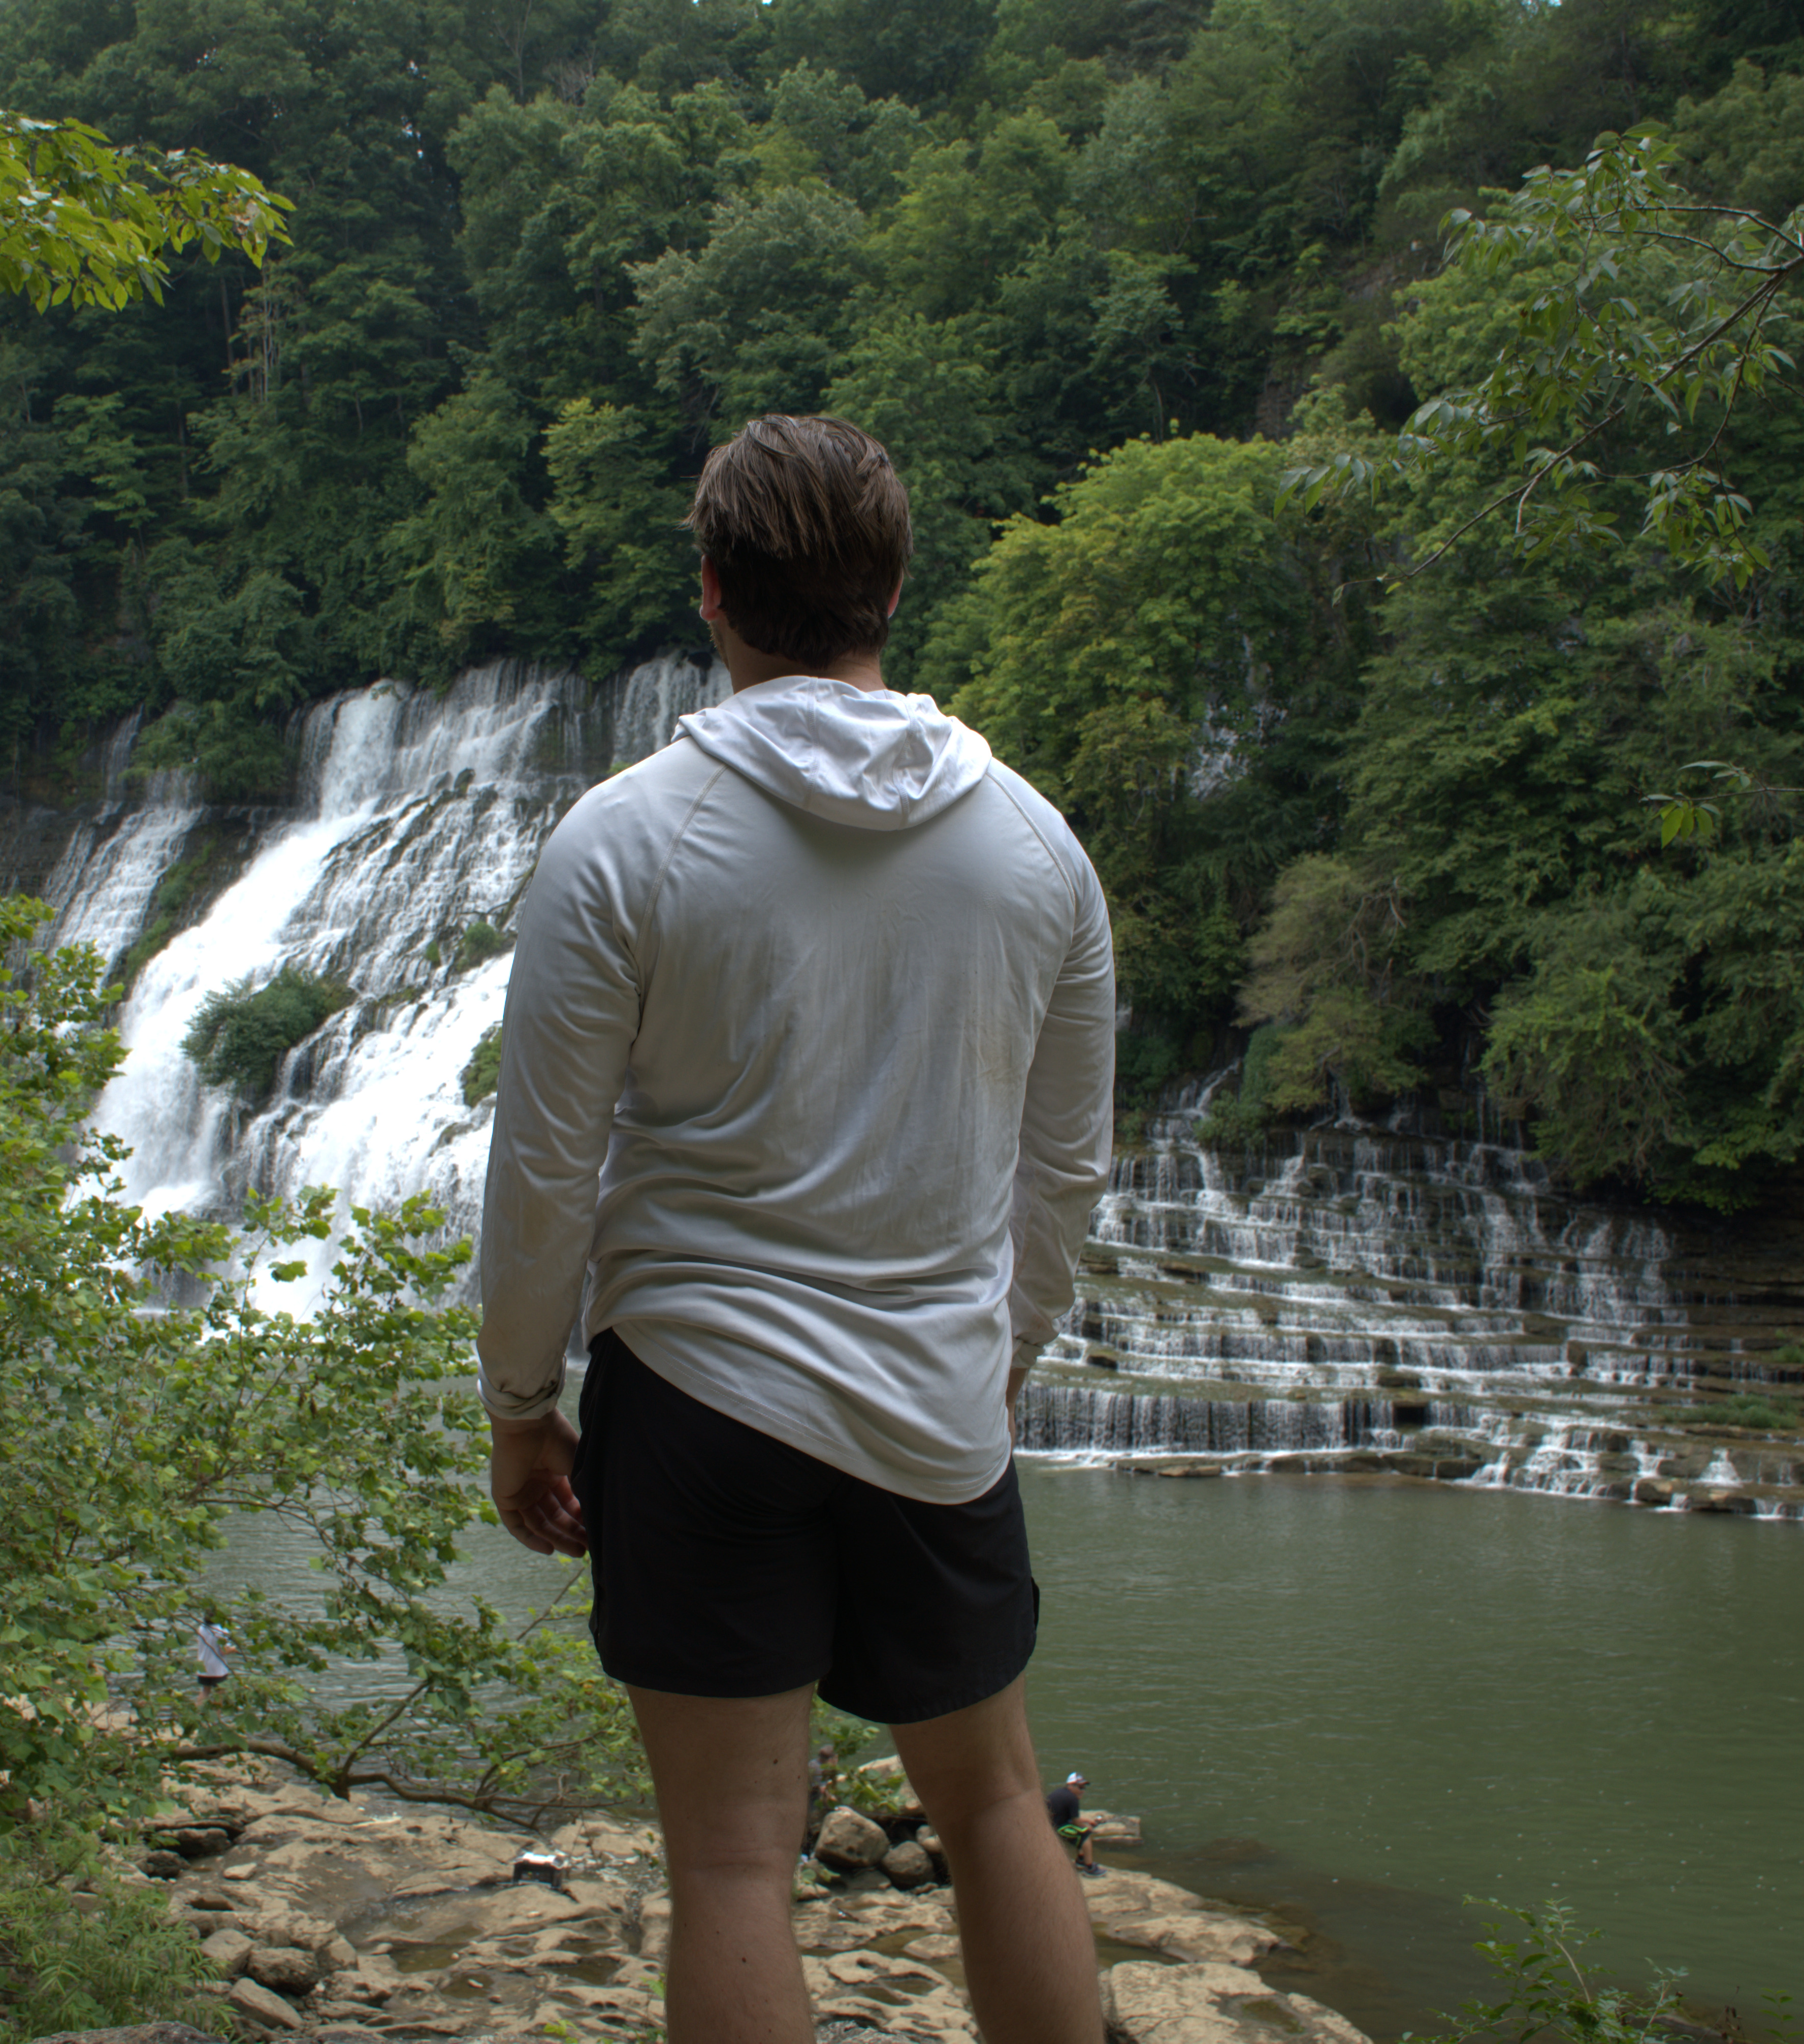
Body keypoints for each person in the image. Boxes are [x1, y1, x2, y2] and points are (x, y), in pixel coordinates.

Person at [477, 412, 1116, 2044]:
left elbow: (546, 1167)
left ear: (711, 593)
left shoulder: (622, 840)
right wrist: (1004, 1359)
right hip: (933, 1400)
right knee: (994, 1814)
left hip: (693, 1397)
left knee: (736, 1865)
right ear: (893, 590)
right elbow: (1064, 1173)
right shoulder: (1040, 853)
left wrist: (519, 1401)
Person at [1046, 1769, 1098, 1874]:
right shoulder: (1072, 1799)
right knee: (1085, 1834)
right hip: (1055, 1828)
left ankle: (1081, 1860)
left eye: (1084, 1787)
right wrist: (1088, 1827)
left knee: (1081, 1830)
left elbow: (1071, 1818)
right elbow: (1077, 1822)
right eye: (1080, 1787)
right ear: (1071, 1786)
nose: (1083, 1790)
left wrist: (1087, 1821)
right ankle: (1090, 1868)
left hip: (1050, 1825)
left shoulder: (1062, 1793)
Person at [192, 1618, 232, 1710]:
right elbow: (224, 1651)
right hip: (218, 1669)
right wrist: (234, 1649)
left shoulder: (202, 1628)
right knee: (220, 1693)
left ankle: (196, 1715)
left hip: (203, 1667)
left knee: (205, 1691)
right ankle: (217, 1721)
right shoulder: (221, 1630)